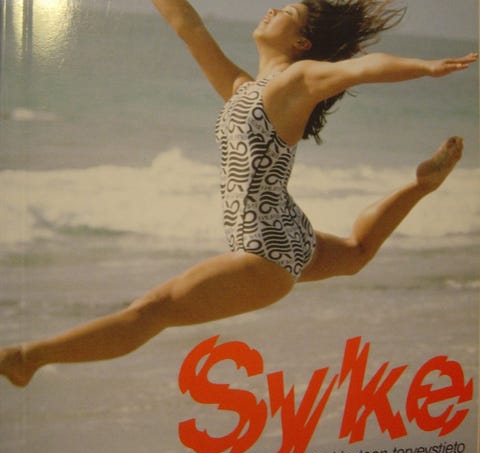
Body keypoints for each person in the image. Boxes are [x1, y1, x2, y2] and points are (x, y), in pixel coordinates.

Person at [0, 0, 477, 387]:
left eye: (288, 11)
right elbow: (189, 28)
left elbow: (363, 68)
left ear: (302, 43)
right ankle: (421, 187)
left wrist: (425, 66)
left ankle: (26, 359)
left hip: (263, 250)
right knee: (356, 252)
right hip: (289, 231)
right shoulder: (242, 88)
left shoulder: (296, 80)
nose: (272, 9)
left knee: (151, 311)